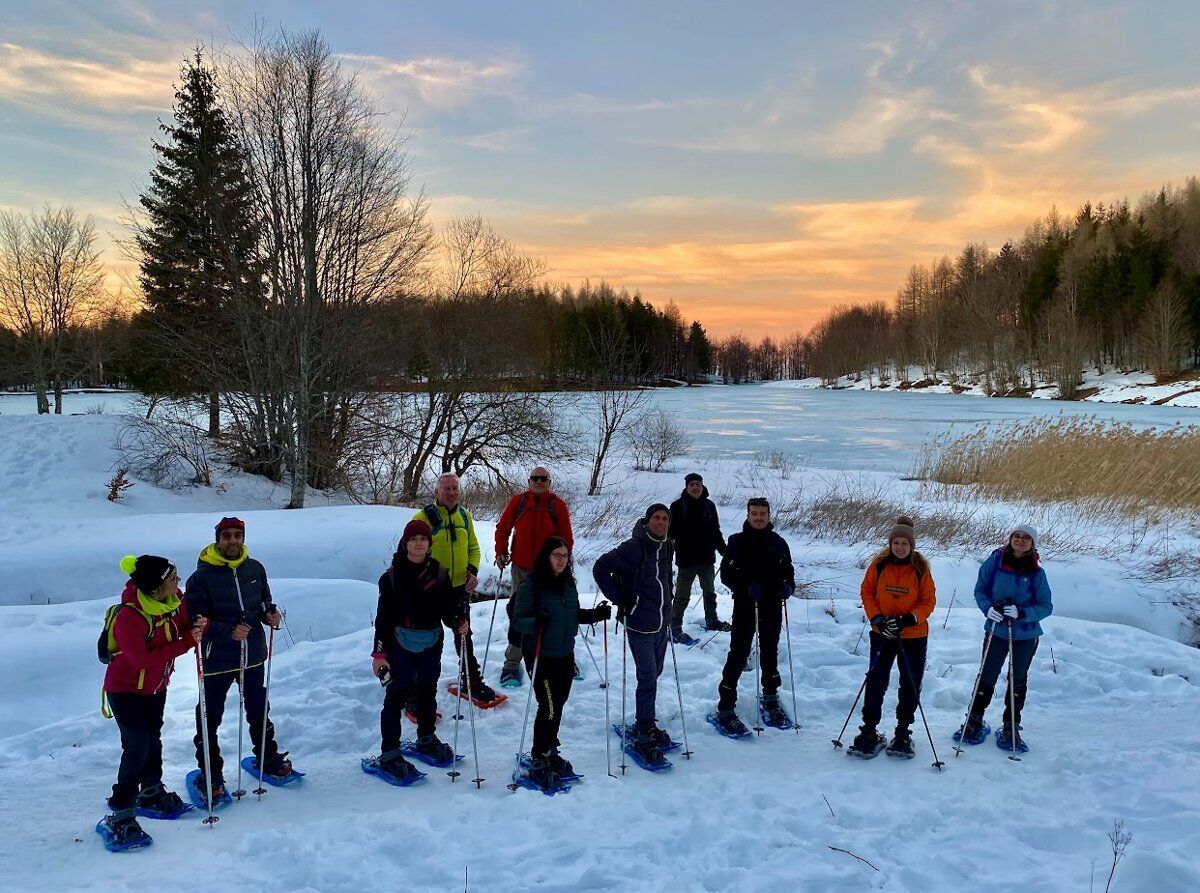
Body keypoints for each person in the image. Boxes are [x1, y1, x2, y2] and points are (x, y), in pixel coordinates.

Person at [99, 555, 206, 849]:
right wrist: (187, 642)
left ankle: (151, 791)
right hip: (125, 690)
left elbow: (185, 628)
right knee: (136, 747)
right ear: (157, 586)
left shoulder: (174, 602)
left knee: (153, 740)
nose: (178, 582)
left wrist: (196, 627)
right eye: (173, 578)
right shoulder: (129, 617)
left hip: (156, 687)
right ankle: (121, 810)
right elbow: (140, 659)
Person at [184, 517, 289, 805]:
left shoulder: (255, 568)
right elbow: (195, 621)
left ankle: (267, 757)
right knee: (209, 716)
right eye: (227, 536)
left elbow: (264, 600)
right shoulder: (200, 578)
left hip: (252, 654)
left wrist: (270, 614)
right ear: (218, 539)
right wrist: (227, 631)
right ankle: (211, 775)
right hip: (217, 657)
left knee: (258, 707)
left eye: (237, 535)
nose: (232, 541)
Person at [371, 519, 470, 781]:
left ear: (429, 543)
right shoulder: (390, 577)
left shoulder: (439, 574)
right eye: (413, 539)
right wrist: (379, 655)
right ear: (405, 543)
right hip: (399, 643)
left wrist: (459, 621)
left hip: (431, 641)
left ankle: (426, 737)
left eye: (423, 539)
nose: (418, 543)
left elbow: (448, 610)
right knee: (396, 696)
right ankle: (389, 753)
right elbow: (383, 620)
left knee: (427, 691)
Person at [511, 536, 611, 789]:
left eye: (565, 556)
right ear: (547, 556)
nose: (561, 560)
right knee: (549, 706)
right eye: (557, 555)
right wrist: (536, 622)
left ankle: (550, 748)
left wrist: (596, 615)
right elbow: (517, 619)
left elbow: (573, 615)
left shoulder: (568, 584)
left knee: (560, 703)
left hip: (565, 654)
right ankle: (539, 754)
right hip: (540, 655)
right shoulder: (531, 585)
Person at [846, 516, 937, 759]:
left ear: (912, 545)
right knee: (876, 680)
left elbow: (928, 601)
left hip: (913, 634)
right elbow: (867, 591)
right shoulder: (879, 564)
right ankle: (869, 731)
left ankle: (903, 731)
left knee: (910, 681)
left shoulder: (920, 568)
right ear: (890, 543)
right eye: (895, 542)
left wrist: (910, 618)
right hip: (882, 632)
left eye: (904, 543)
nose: (899, 547)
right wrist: (876, 618)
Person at [592, 503, 674, 766]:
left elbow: (665, 581)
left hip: (661, 623)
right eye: (656, 518)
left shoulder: (667, 546)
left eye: (664, 518)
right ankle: (644, 727)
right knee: (648, 676)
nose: (660, 522)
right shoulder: (634, 546)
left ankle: (646, 720)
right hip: (639, 622)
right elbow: (600, 567)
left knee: (655, 673)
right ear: (647, 520)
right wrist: (620, 597)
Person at [959, 524, 1053, 752]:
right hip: (996, 630)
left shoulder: (1036, 573)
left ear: (1032, 543)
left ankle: (1011, 724)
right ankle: (974, 719)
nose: (1020, 540)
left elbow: (1046, 606)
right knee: (987, 674)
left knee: (1018, 678)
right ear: (1010, 539)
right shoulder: (995, 562)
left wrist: (1023, 613)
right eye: (1016, 536)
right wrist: (987, 608)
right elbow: (980, 590)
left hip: (1026, 634)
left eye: (1026, 538)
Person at [709, 498, 796, 737]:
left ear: (769, 516)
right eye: (754, 514)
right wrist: (744, 586)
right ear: (748, 516)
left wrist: (787, 586)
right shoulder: (736, 542)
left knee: (769, 652)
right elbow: (726, 574)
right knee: (738, 653)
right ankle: (726, 703)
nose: (759, 518)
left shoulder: (779, 543)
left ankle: (770, 696)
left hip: (771, 605)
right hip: (746, 605)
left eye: (763, 514)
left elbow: (788, 572)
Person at [412, 474, 500, 706]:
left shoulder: (465, 515)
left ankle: (471, 681)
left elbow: (473, 547)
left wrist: (472, 571)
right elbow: (413, 554)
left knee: (463, 634)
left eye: (455, 488)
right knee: (423, 640)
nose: (451, 493)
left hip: (458, 590)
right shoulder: (422, 518)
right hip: (430, 592)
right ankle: (414, 691)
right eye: (446, 489)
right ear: (436, 492)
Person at [495, 466, 575, 687]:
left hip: (550, 571)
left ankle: (566, 658)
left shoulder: (557, 505)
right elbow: (502, 528)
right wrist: (501, 550)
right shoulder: (519, 502)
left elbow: (567, 538)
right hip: (521, 568)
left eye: (543, 479)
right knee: (520, 614)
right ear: (528, 481)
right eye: (535, 478)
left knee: (557, 614)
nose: (539, 482)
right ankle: (511, 665)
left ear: (549, 482)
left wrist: (563, 562)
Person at [669, 472, 728, 644]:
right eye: (692, 484)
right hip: (686, 560)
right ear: (686, 487)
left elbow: (715, 531)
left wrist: (724, 551)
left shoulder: (709, 506)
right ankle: (674, 626)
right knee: (682, 596)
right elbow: (671, 533)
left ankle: (712, 620)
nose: (695, 487)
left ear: (702, 486)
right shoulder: (677, 506)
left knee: (709, 592)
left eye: (698, 484)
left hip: (707, 558)